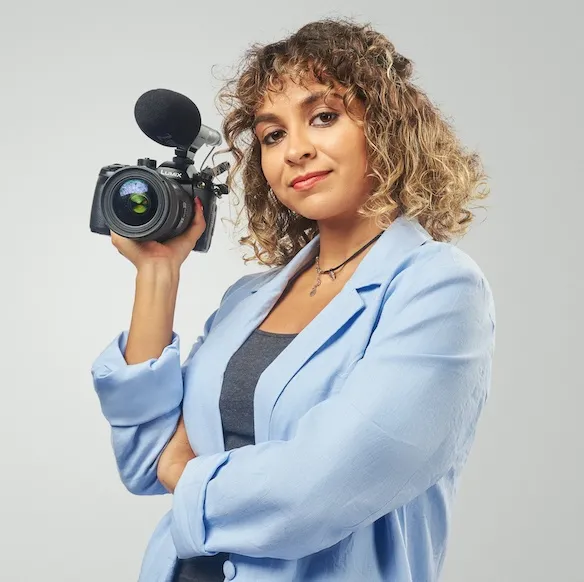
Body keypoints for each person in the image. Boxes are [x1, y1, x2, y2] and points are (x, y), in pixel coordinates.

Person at [91, 16, 496, 582]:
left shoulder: (439, 289)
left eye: (323, 117)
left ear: (386, 126)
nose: (296, 150)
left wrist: (185, 472)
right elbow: (142, 460)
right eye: (272, 135)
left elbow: (320, 488)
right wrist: (158, 274)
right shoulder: (248, 300)